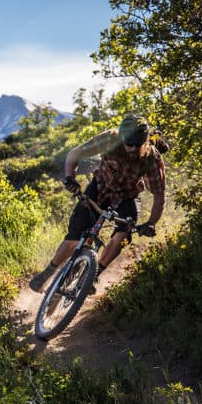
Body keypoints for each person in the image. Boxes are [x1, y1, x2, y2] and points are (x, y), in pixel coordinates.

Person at [29, 114, 166, 292]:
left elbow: (159, 196)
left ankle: (93, 275)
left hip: (127, 195)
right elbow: (74, 154)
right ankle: (48, 272)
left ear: (145, 142)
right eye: (128, 143)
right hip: (99, 187)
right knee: (75, 236)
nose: (132, 148)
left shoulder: (152, 159)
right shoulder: (110, 138)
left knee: (124, 234)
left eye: (137, 145)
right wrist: (70, 177)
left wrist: (151, 223)